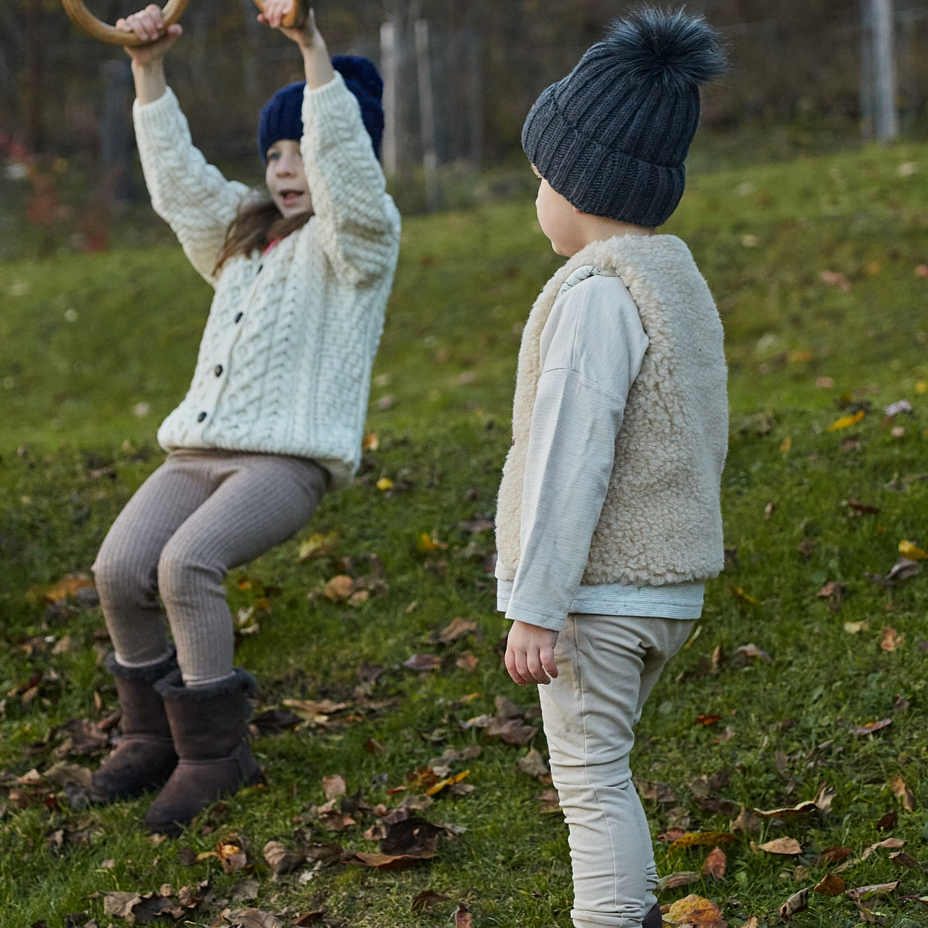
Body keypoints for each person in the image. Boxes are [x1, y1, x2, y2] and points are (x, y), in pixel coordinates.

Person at [89, 2, 400, 835]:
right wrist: (145, 67)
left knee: (187, 564)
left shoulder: (358, 244)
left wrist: (309, 48)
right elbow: (180, 181)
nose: (290, 167)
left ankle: (215, 756)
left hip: (283, 462)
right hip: (195, 452)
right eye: (276, 151)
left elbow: (346, 175)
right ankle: (149, 735)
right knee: (122, 568)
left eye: (304, 150)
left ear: (346, 159)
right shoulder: (241, 233)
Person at [495, 9, 729, 928]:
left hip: (597, 594)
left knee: (590, 781)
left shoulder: (597, 297)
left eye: (540, 178)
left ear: (581, 185)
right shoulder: (672, 281)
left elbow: (570, 458)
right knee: (604, 770)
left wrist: (538, 604)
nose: (536, 197)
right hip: (662, 590)